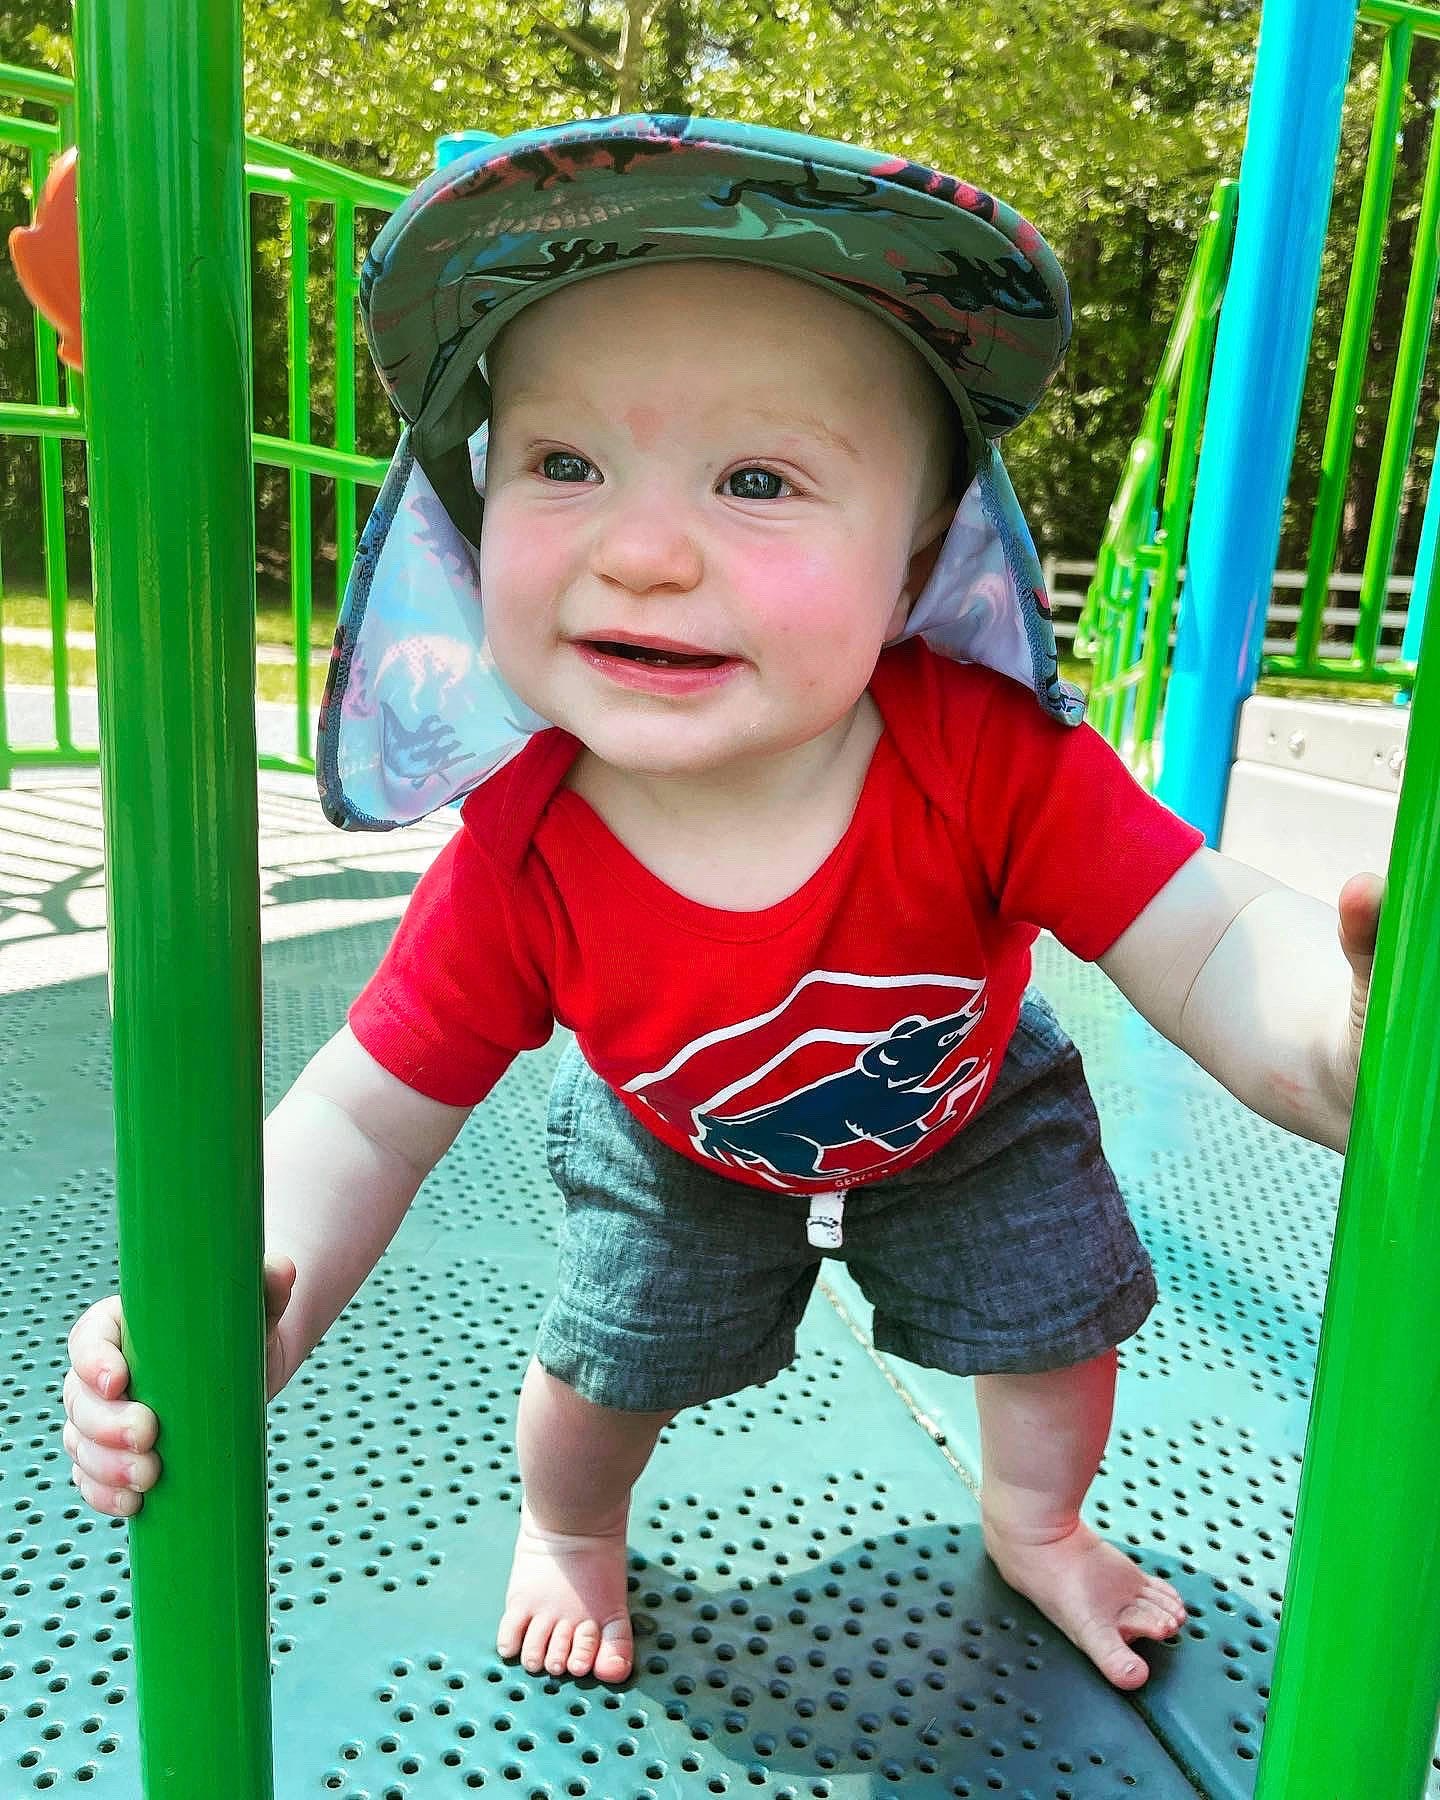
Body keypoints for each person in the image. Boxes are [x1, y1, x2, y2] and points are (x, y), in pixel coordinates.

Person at [60, 116, 1382, 1695]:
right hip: (671, 1132)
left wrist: (1346, 1037)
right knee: (601, 1377)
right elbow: (364, 1120)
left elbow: (1211, 936)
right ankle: (568, 1530)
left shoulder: (990, 765)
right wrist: (250, 1286)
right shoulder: (527, 846)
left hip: (959, 1106)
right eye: (564, 463)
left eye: (756, 479)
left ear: (912, 572)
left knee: (1058, 1340)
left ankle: (1039, 1524)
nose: (640, 550)